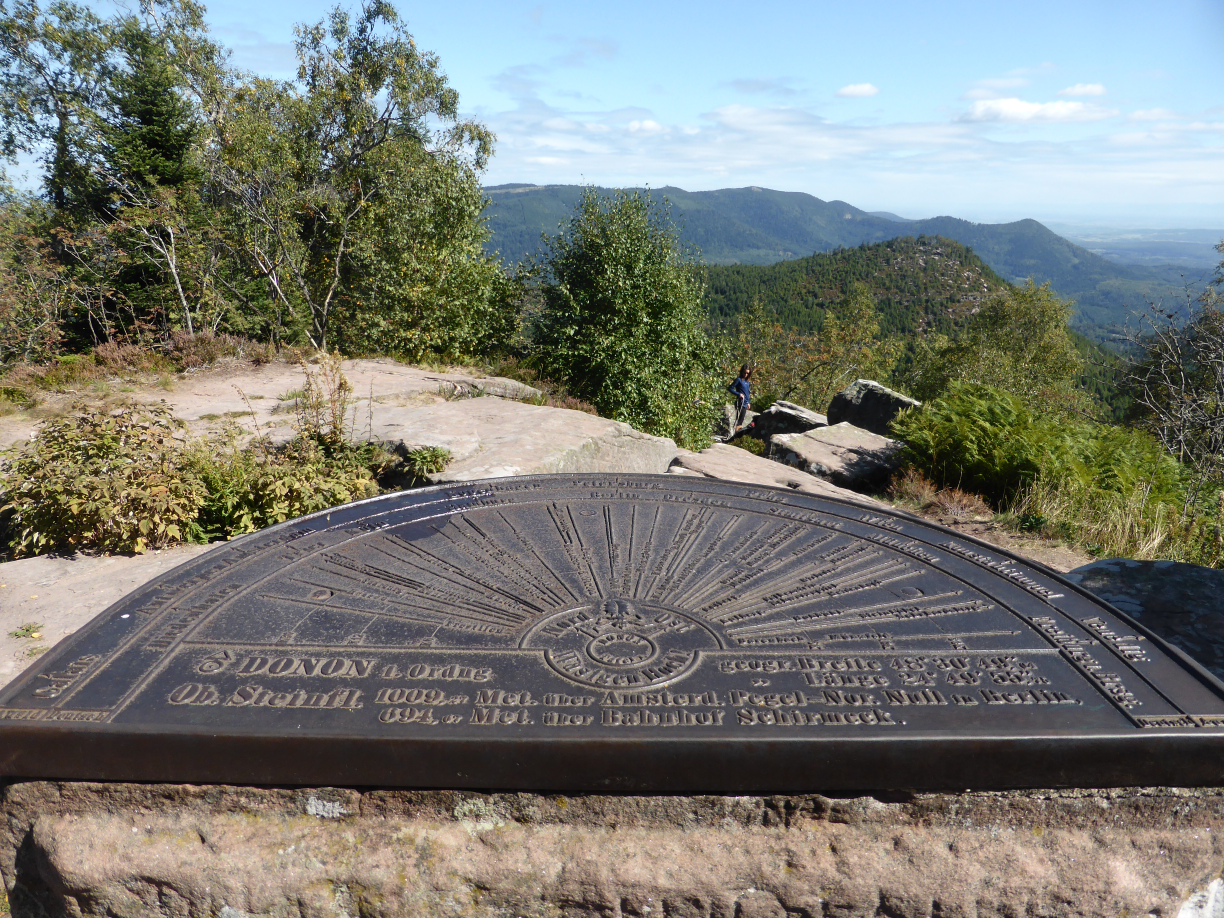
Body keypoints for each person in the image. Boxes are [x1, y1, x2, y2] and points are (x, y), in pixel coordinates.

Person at [728, 364, 752, 432]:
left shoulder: (747, 382)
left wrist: (748, 402)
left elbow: (747, 393)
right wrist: (738, 394)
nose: (746, 374)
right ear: (742, 372)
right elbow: (730, 388)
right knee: (739, 421)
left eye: (747, 373)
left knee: (741, 421)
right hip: (740, 403)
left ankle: (736, 437)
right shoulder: (738, 380)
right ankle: (736, 437)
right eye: (744, 372)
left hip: (745, 403)